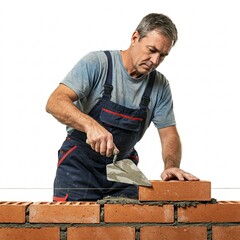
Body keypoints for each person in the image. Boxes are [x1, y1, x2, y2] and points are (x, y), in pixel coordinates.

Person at [46, 13, 199, 201]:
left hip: (122, 168)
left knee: (135, 223)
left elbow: (169, 134)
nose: (155, 61)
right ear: (135, 38)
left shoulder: (159, 85)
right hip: (79, 166)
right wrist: (90, 126)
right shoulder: (98, 64)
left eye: (163, 55)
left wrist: (171, 166)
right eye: (151, 50)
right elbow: (55, 102)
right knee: (76, 227)